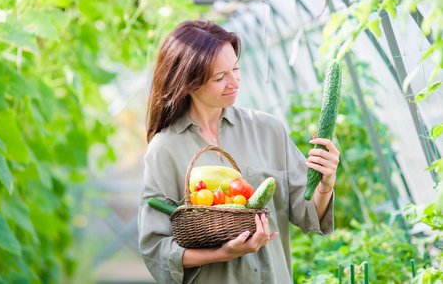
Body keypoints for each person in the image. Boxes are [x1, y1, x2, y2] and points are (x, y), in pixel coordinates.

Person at [138, 20, 339, 284]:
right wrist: (220, 253)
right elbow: (156, 248)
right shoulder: (165, 149)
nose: (234, 82)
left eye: (236, 69)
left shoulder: (268, 130)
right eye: (220, 77)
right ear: (189, 82)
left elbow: (308, 212)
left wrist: (326, 182)